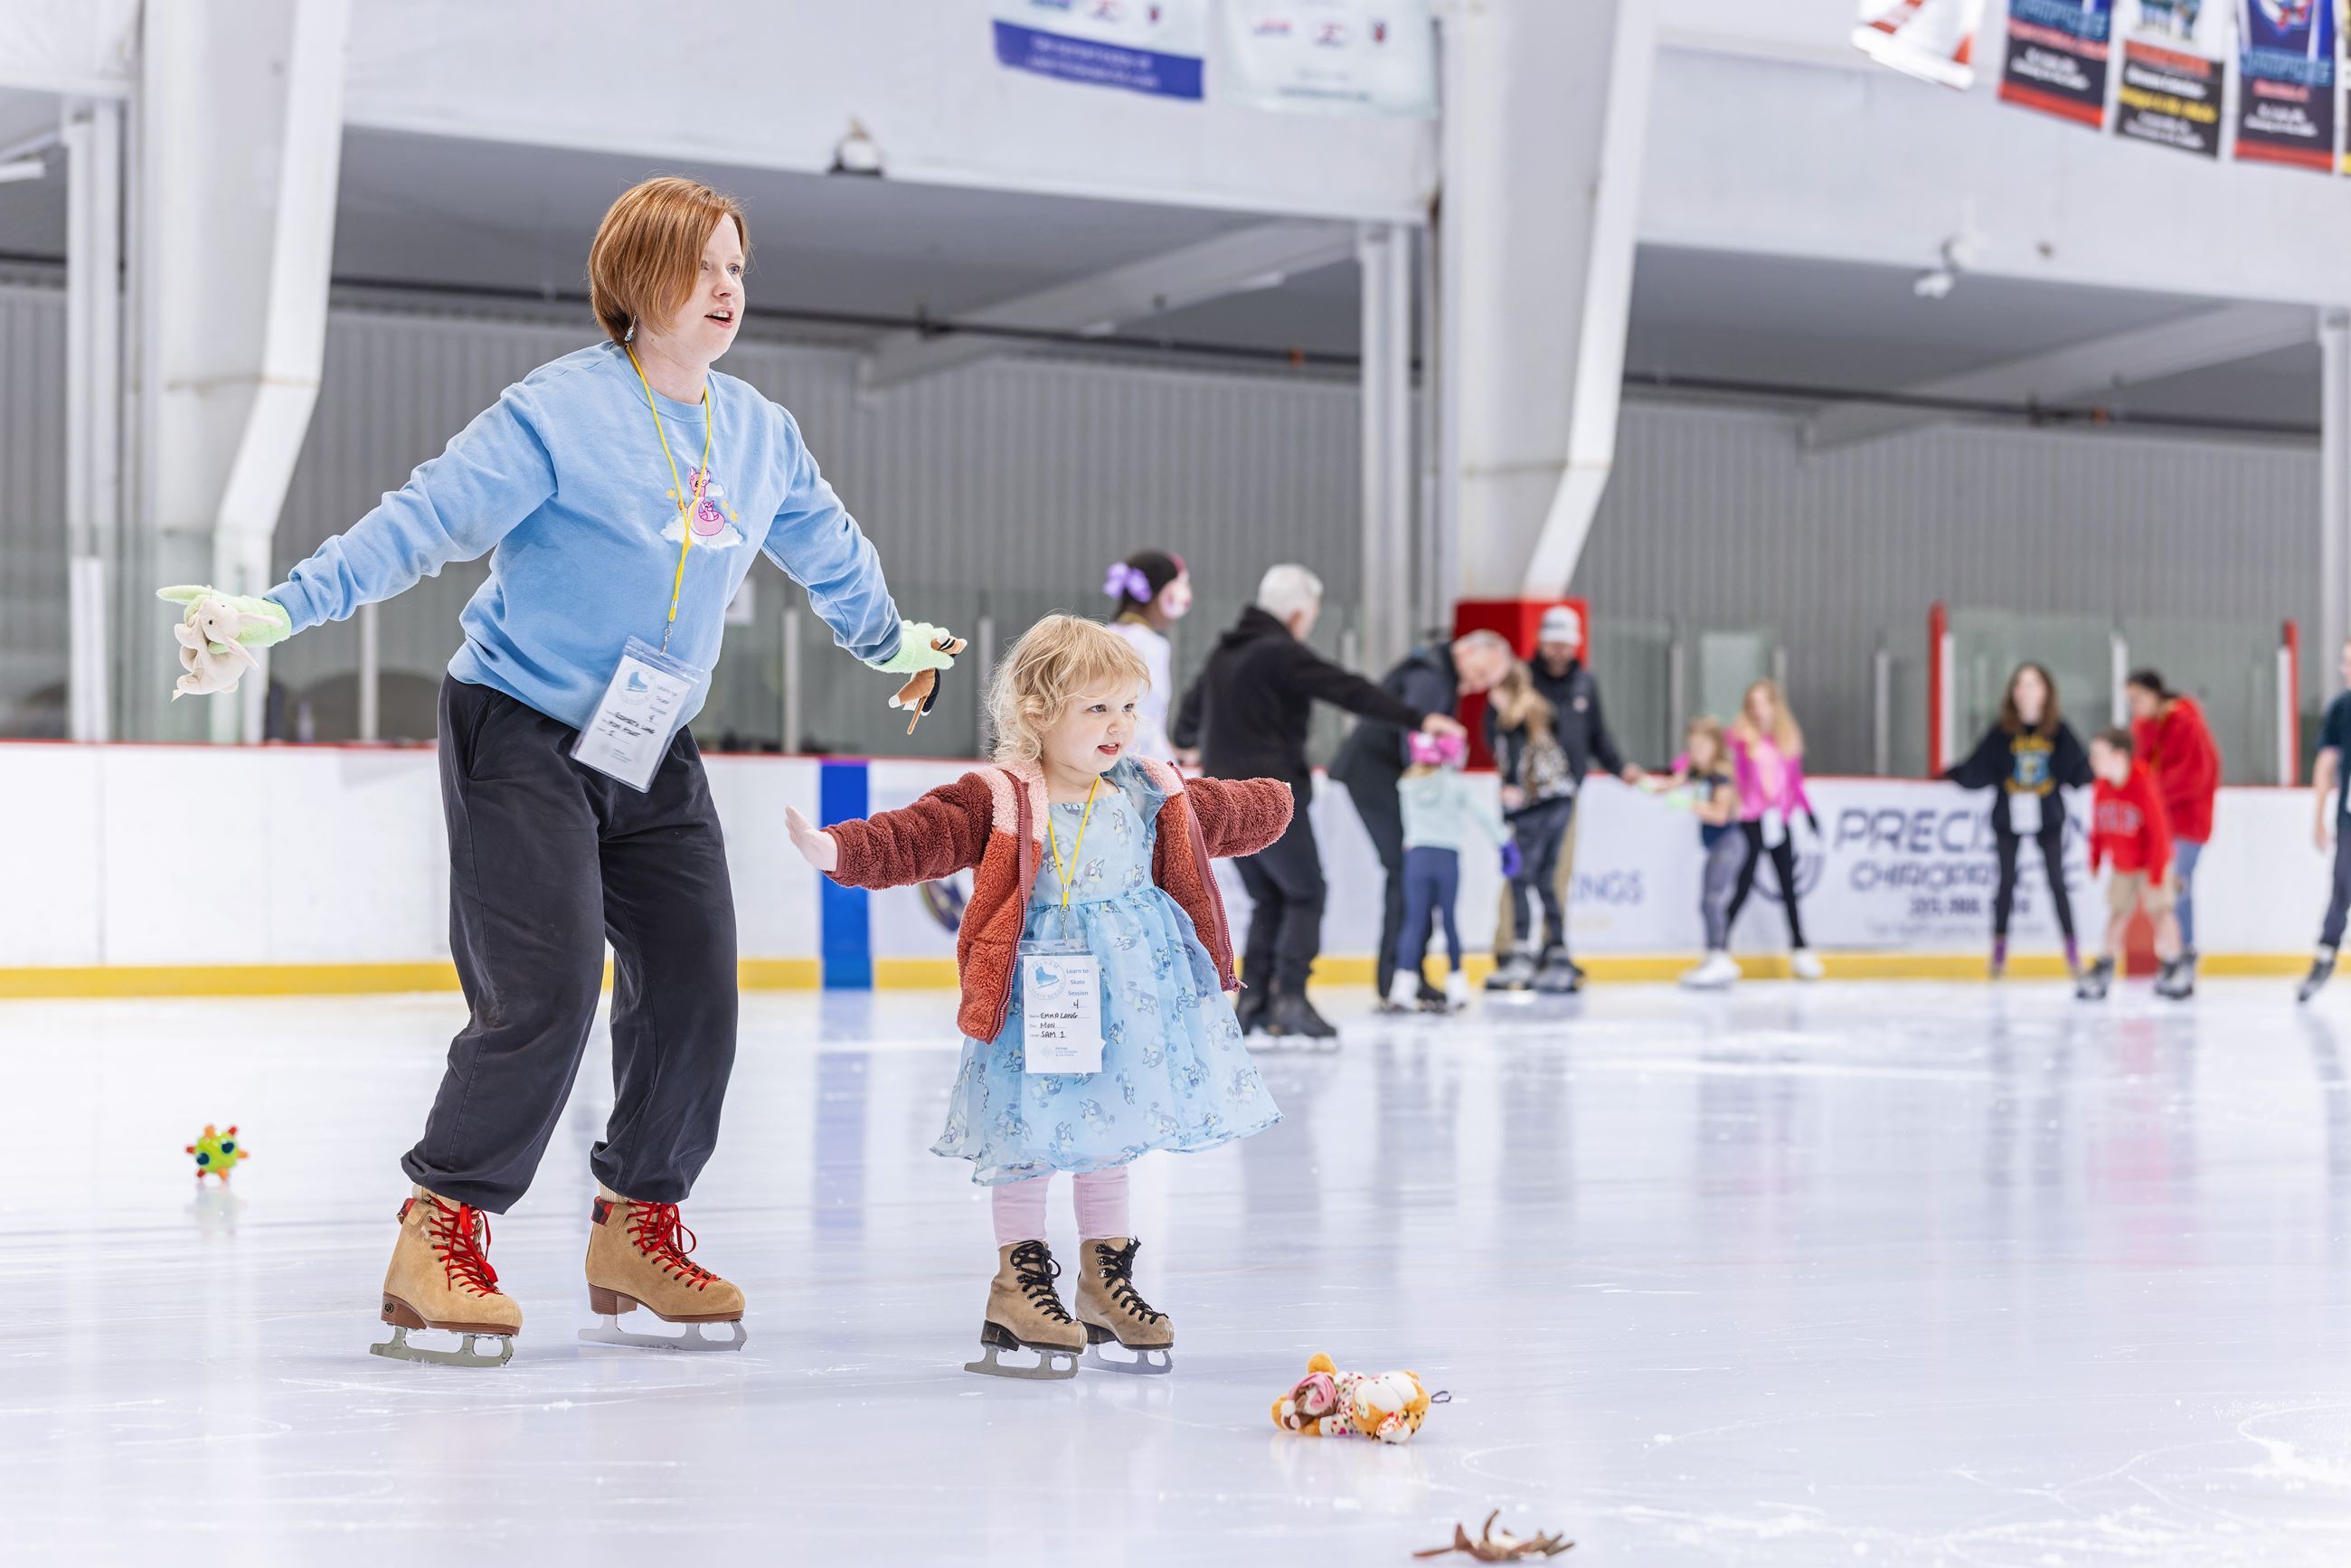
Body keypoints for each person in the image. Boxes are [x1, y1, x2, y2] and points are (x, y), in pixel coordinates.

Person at [156, 177, 958, 1368]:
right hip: (520, 726)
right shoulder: (557, 414)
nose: (728, 288)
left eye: (738, 266)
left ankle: (640, 1223)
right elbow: (416, 524)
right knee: (542, 986)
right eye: (703, 266)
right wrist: (274, 613)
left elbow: (828, 546)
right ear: (636, 285)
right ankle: (443, 1229)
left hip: (649, 744)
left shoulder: (756, 434)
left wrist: (891, 640)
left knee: (696, 981)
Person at [787, 615, 1291, 1378]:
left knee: (1108, 1134)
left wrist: (1283, 797)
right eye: (1096, 709)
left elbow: (1227, 811)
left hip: (1127, 1003)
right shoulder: (1001, 796)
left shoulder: (1150, 788)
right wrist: (840, 850)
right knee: (1029, 1136)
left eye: (1128, 707)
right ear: (1035, 712)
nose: (1119, 727)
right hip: (1036, 1001)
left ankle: (1103, 1282)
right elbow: (921, 836)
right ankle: (1017, 1286)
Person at [1171, 566, 1464, 1042]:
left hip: (1221, 798)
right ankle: (1290, 999)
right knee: (1305, 892)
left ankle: (1254, 1003)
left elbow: (1188, 715)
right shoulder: (1281, 652)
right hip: (1268, 796)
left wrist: (1190, 743)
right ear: (1299, 613)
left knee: (1270, 897)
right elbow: (1346, 689)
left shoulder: (1223, 655)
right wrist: (1418, 719)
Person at [1331, 628, 1515, 1007]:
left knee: (1409, 874)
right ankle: (1398, 978)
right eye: (1480, 675)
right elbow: (1415, 734)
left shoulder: (1439, 670)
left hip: (1381, 774)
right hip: (1375, 774)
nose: (1476, 686)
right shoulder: (1432, 677)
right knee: (1406, 871)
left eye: (1486, 683)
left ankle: (1407, 974)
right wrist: (1424, 780)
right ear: (1467, 651)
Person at [1487, 605, 1640, 984]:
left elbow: (1597, 735)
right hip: (1525, 799)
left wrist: (1621, 768)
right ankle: (1510, 948)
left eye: (1565, 645)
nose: (1559, 652)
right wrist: (1508, 773)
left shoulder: (1584, 684)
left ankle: (1551, 949)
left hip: (1565, 797)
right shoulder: (1521, 679)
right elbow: (1496, 727)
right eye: (1553, 643)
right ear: (1541, 641)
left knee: (1556, 874)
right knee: (1519, 872)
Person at [1946, 663, 2093, 978]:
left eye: (2034, 684)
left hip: (2048, 816)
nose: (2026, 691)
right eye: (2021, 684)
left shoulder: (2058, 731)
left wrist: (2096, 769)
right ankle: (1998, 953)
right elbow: (1978, 768)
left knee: (2057, 881)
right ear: (2013, 692)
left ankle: (2072, 952)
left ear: (2046, 691)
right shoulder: (2001, 732)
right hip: (2007, 817)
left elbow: (2078, 770)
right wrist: (1954, 774)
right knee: (2007, 882)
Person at [1384, 731, 1515, 1015]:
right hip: (1446, 858)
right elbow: (1483, 815)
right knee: (1450, 922)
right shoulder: (1456, 785)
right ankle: (1456, 986)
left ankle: (1402, 990)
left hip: (1417, 858)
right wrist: (1504, 843)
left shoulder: (1407, 784)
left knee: (1414, 923)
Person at [1485, 659, 1578, 994]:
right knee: (1543, 879)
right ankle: (1557, 950)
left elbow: (1514, 771)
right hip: (1558, 802)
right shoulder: (1541, 710)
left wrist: (1512, 801)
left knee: (1521, 877)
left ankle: (1521, 951)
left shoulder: (1513, 719)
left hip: (1537, 807)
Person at [2127, 668, 2220, 999]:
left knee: (2177, 886)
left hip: (2187, 823)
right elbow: (2137, 770)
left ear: (2156, 695)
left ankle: (2184, 957)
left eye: (2139, 698)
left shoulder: (2186, 722)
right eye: (2131, 700)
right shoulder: (2143, 728)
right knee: (2161, 892)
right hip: (2160, 824)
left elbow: (2199, 772)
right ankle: (2172, 954)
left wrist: (2152, 794)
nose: (2134, 706)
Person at [1722, 678, 1825, 979]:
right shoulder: (1740, 739)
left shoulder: (1788, 740)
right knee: (1743, 883)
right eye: (1752, 703)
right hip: (1752, 820)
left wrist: (1808, 813)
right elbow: (1712, 759)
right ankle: (1719, 945)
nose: (1757, 710)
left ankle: (1800, 948)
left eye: (1762, 702)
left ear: (1774, 705)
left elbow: (1795, 783)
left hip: (1778, 821)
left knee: (1788, 888)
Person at [2076, 729, 2180, 1002]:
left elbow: (2159, 833)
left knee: (2160, 911)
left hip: (2151, 862)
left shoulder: (2143, 782)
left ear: (2119, 756)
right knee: (2117, 913)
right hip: (2123, 863)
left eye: (2099, 755)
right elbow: (2098, 825)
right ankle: (2105, 963)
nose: (2093, 761)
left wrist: (2157, 874)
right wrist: (2096, 857)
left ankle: (2173, 962)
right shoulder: (2102, 786)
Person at [1648, 716, 1742, 989]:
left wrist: (1691, 804)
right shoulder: (1698, 770)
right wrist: (1647, 785)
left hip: (1729, 844)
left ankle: (1719, 956)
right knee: (1707, 901)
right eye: (1693, 747)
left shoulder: (1721, 773)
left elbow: (1721, 815)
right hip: (1716, 846)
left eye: (1702, 746)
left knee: (1712, 900)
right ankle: (1714, 954)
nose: (1697, 752)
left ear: (1715, 746)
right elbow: (1672, 783)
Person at [1100, 550, 1192, 761]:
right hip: (1142, 763)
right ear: (1167, 595)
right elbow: (1144, 718)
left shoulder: (1104, 634)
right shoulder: (1152, 646)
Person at [2299, 639, 2351, 1004]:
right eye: (2344, 662)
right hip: (2349, 819)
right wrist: (2318, 816)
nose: (2345, 670)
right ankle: (2324, 954)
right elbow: (2326, 764)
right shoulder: (2341, 709)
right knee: (2342, 886)